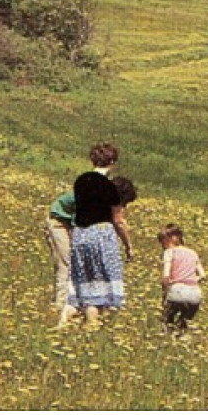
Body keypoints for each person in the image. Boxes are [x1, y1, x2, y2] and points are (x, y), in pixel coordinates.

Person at [60, 141, 133, 329]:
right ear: (112, 162)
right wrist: (128, 245)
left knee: (81, 280)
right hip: (101, 234)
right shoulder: (109, 187)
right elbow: (117, 219)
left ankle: (64, 323)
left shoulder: (82, 181)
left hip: (80, 235)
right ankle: (91, 325)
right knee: (100, 282)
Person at [158, 223, 205, 335]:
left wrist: (164, 294)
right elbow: (203, 275)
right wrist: (191, 280)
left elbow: (166, 276)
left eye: (163, 242)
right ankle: (182, 339)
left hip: (177, 290)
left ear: (173, 238)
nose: (162, 246)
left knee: (167, 321)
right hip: (195, 294)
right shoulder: (193, 253)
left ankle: (168, 342)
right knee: (184, 323)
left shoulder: (169, 252)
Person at [44, 189, 76, 319]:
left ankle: (70, 302)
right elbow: (78, 223)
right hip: (58, 222)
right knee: (65, 263)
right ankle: (61, 303)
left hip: (67, 221)